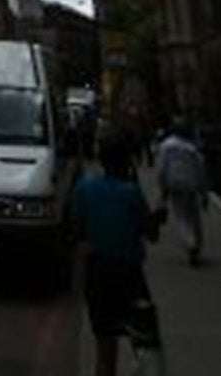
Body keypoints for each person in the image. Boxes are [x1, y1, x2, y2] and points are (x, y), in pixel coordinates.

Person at [73, 132, 158, 376]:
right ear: (127, 160)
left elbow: (78, 230)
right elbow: (151, 234)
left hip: (98, 274)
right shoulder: (131, 192)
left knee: (105, 348)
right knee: (143, 344)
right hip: (129, 275)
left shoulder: (84, 188)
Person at [155, 118, 210, 266]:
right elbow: (200, 169)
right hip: (191, 183)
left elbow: (161, 167)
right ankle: (195, 244)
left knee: (181, 217)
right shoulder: (191, 147)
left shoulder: (165, 146)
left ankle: (190, 243)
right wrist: (204, 193)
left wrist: (162, 187)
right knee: (193, 216)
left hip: (173, 183)